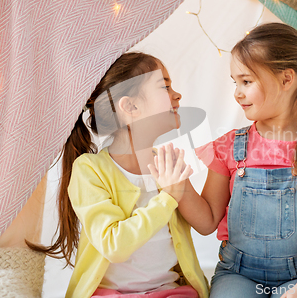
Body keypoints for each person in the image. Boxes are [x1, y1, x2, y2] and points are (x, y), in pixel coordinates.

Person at [171, 23, 297, 298]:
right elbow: (207, 220)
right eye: (235, 82)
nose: (237, 92)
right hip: (239, 273)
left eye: (246, 81)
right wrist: (179, 185)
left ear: (287, 79)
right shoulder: (229, 147)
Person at [29, 52, 209, 298]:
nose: (177, 95)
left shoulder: (166, 162)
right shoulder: (90, 170)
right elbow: (114, 246)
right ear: (130, 107)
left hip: (168, 292)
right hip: (109, 294)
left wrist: (180, 187)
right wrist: (167, 198)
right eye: (165, 87)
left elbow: (206, 224)